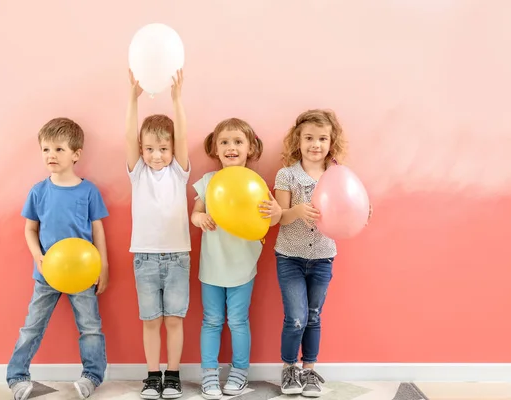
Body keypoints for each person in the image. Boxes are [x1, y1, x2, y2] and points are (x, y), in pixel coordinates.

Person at [6, 117, 110, 400]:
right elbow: (30, 228)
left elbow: (98, 231)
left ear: (76, 154)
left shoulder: (88, 191)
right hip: (46, 275)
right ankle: (17, 376)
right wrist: (38, 256)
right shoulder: (38, 191)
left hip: (83, 275)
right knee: (32, 326)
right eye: (45, 150)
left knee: (90, 327)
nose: (51, 155)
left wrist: (104, 266)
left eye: (59, 149)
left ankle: (92, 375)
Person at [274, 109, 371, 397]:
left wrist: (362, 211)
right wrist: (296, 211)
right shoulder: (287, 174)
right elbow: (278, 217)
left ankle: (310, 370)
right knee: (295, 317)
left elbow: (353, 205)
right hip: (289, 256)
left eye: (322, 138)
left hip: (323, 257)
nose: (315, 144)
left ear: (331, 142)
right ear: (298, 140)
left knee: (314, 315)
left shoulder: (337, 175)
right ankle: (288, 369)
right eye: (309, 138)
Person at [191, 118, 282, 399]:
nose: (231, 147)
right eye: (225, 142)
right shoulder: (208, 181)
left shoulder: (255, 184)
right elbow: (195, 213)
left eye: (238, 142)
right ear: (215, 148)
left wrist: (276, 210)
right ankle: (208, 374)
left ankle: (240, 372)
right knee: (212, 320)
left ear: (250, 148)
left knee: (239, 320)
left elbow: (274, 217)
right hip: (212, 265)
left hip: (243, 266)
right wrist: (200, 217)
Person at [126, 69, 191, 399]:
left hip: (178, 257)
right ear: (142, 149)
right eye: (149, 148)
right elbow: (129, 138)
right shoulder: (138, 174)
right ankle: (153, 375)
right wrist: (132, 101)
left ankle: (174, 374)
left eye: (163, 148)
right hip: (145, 257)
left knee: (174, 320)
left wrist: (177, 100)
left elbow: (181, 133)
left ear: (173, 148)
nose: (156, 155)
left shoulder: (179, 173)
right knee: (150, 320)